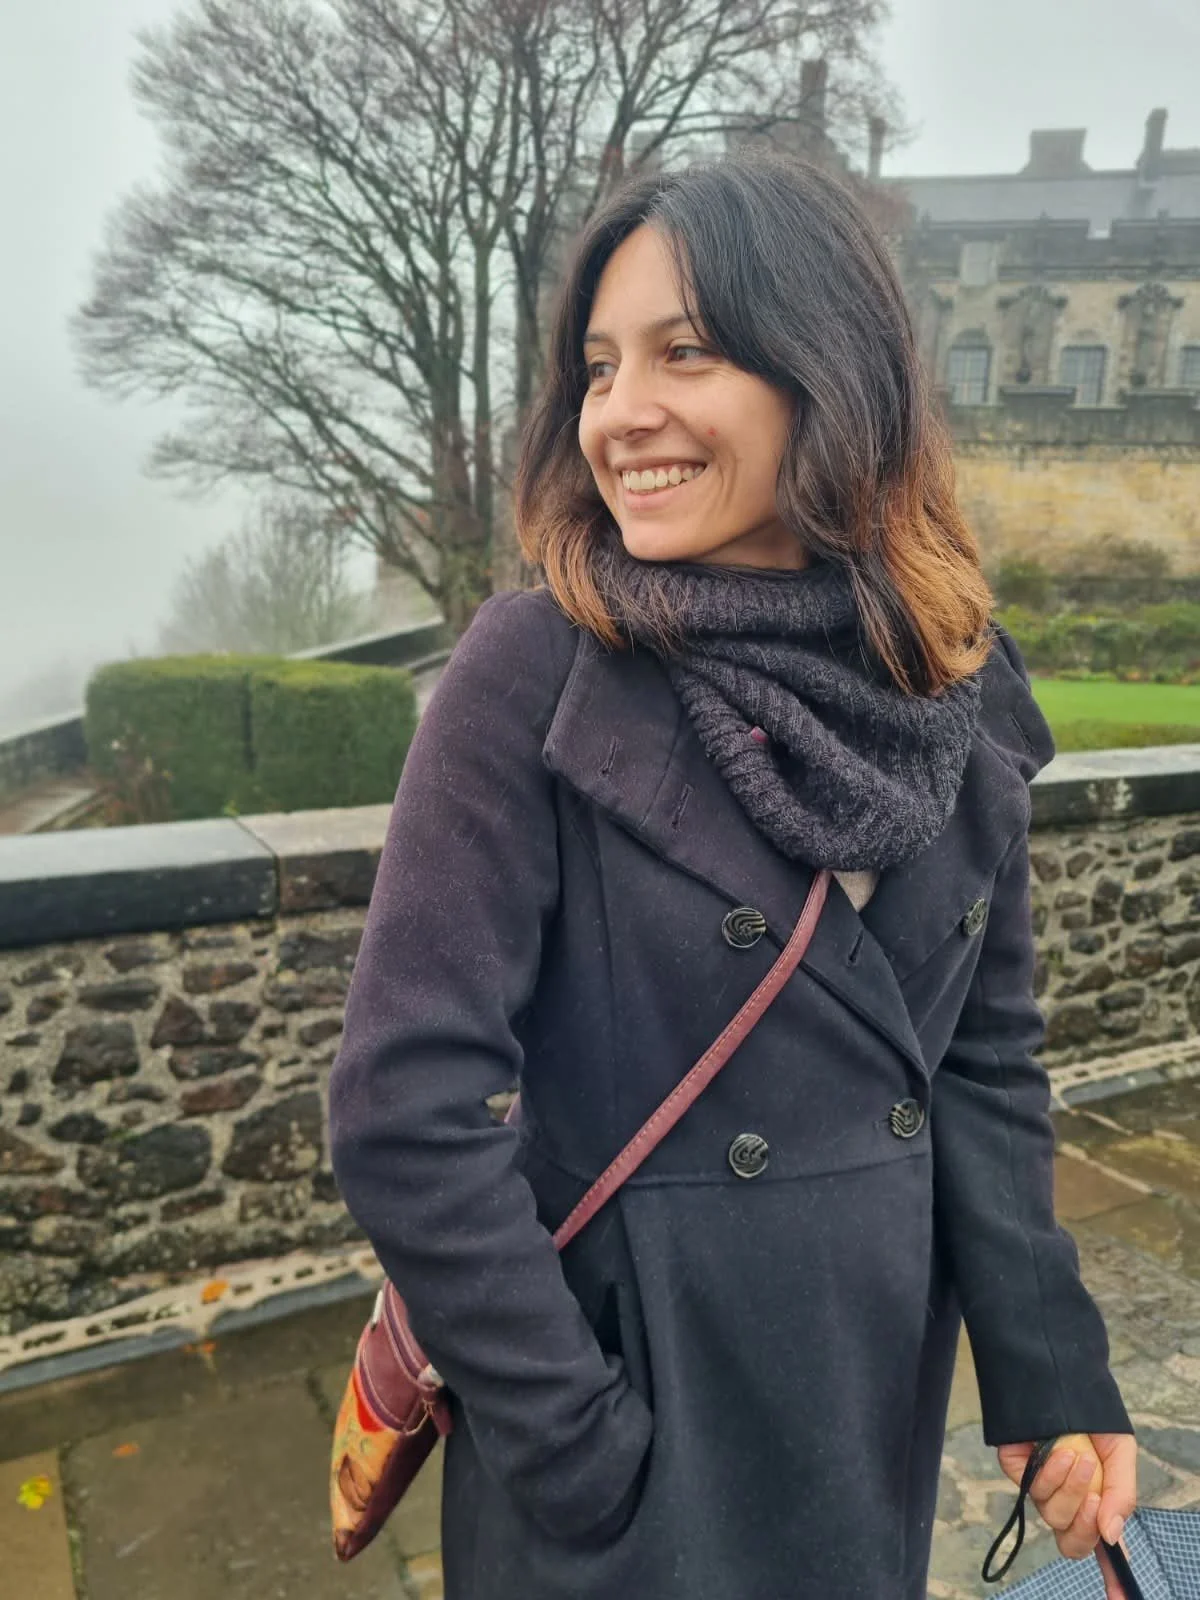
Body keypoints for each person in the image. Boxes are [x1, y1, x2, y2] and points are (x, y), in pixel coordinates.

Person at [328, 151, 1136, 1599]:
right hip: (633, 1427)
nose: (620, 415)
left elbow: (981, 1063)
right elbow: (406, 1107)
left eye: (683, 353)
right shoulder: (536, 672)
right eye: (597, 366)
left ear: (825, 372)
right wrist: (584, 1452)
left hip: (863, 1383)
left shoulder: (946, 680)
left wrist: (1048, 1363)